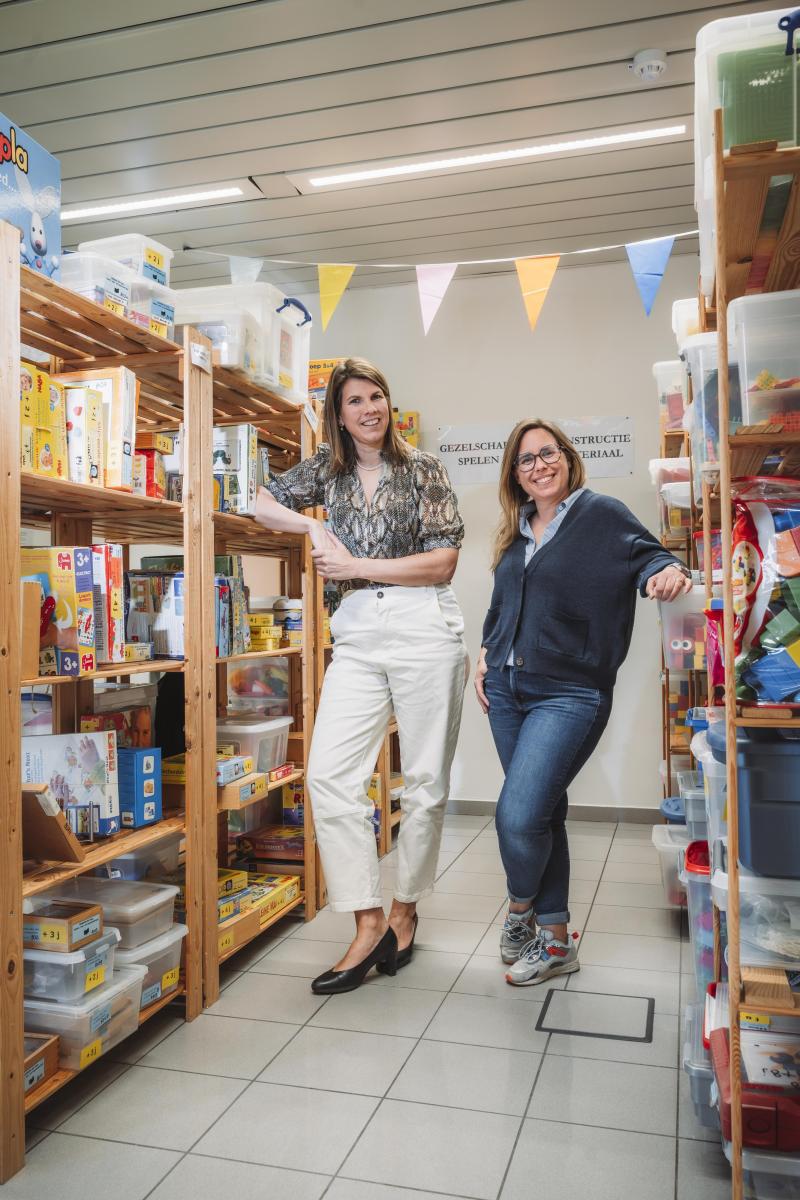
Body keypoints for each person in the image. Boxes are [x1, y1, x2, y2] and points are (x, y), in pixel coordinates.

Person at [255, 358, 468, 995]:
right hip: (355, 630)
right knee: (327, 775)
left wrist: (355, 563)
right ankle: (366, 919)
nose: (369, 408)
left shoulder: (423, 468)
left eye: (377, 396)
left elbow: (444, 561)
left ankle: (404, 911)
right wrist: (312, 524)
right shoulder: (327, 470)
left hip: (423, 624)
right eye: (355, 400)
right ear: (338, 414)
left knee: (426, 780)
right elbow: (260, 500)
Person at [474, 418, 691, 987]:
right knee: (543, 813)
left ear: (567, 458)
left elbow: (651, 556)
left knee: (518, 816)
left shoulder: (602, 514)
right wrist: (484, 653)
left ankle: (520, 909)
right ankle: (555, 941)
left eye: (548, 453)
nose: (539, 465)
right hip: (506, 689)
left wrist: (666, 571)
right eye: (526, 460)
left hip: (569, 692)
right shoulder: (515, 530)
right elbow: (501, 606)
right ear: (514, 475)